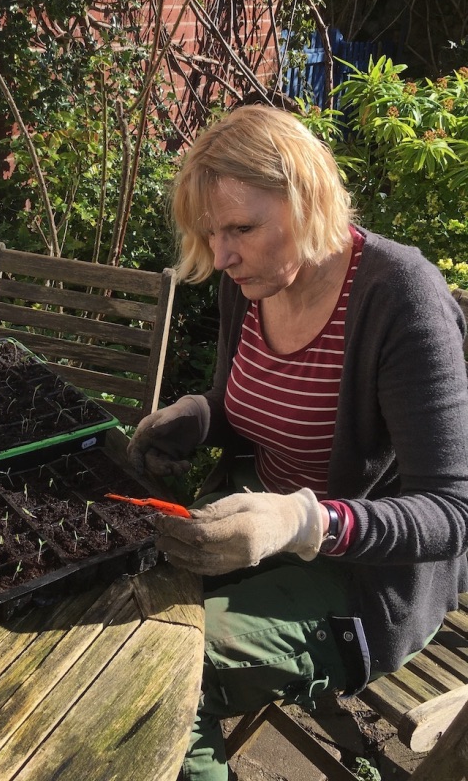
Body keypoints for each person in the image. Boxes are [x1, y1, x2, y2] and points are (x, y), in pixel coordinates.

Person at [126, 104, 468, 781]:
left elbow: (451, 514)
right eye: (210, 234)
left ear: (307, 197)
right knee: (115, 596)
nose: (221, 256)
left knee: (160, 678)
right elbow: (247, 405)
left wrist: (304, 519)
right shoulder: (251, 282)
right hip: (255, 532)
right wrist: (197, 415)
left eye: (240, 230)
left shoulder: (399, 296)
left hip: (369, 582)